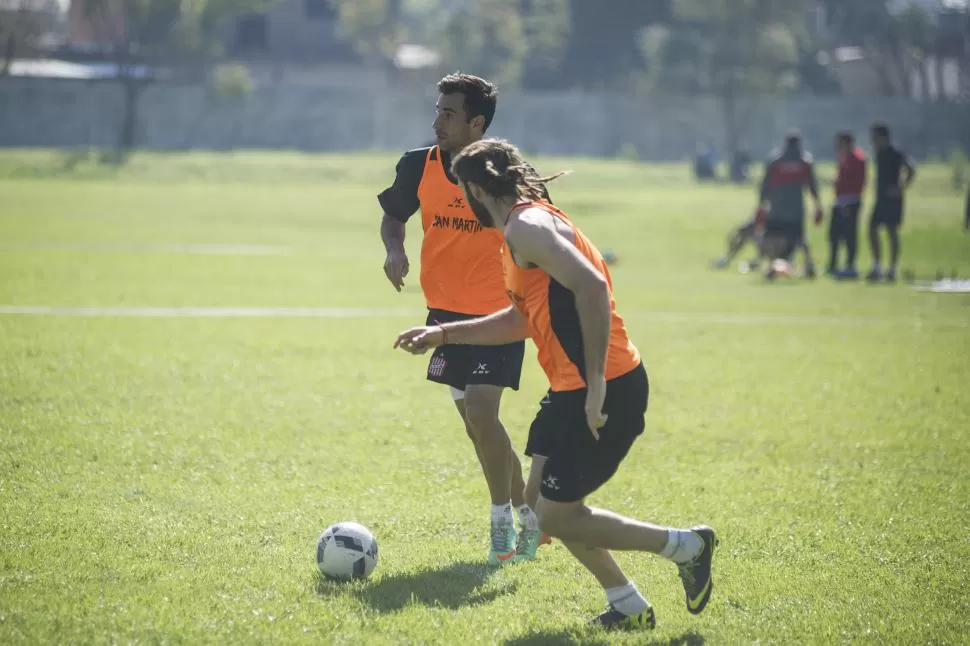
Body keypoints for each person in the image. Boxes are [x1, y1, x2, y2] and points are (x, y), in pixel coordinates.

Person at [393, 139, 717, 631]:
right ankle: (628, 605)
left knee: (554, 517)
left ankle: (686, 546)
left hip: (605, 386)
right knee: (547, 507)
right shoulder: (523, 226)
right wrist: (442, 333)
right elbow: (521, 319)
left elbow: (591, 285)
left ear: (478, 188)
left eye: (464, 191)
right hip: (573, 388)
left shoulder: (527, 225)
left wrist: (594, 386)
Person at [377, 74, 547, 565]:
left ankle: (501, 524)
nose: (437, 122)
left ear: (477, 123)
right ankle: (528, 514)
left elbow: (542, 230)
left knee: (480, 413)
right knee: (479, 428)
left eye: (448, 115)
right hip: (444, 316)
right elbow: (395, 215)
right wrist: (395, 248)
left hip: (500, 315)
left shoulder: (507, 174)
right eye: (437, 111)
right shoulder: (418, 165)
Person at [754, 130, 823, 279]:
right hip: (795, 209)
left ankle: (772, 265)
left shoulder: (775, 161)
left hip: (777, 208)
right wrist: (818, 205)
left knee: (771, 237)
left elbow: (765, 185)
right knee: (800, 238)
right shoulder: (804, 162)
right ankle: (809, 265)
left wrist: (761, 205)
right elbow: (812, 186)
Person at [867, 123, 916, 283]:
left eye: (874, 136)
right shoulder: (879, 153)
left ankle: (892, 269)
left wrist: (901, 187)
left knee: (891, 231)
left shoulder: (894, 152)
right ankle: (877, 266)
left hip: (893, 200)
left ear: (882, 136)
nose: (872, 139)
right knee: (872, 229)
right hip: (880, 198)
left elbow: (911, 168)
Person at [827, 131, 867, 279]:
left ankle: (850, 265)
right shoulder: (842, 157)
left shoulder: (858, 159)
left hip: (850, 201)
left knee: (849, 234)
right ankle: (833, 264)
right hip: (839, 201)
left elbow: (859, 182)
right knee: (834, 234)